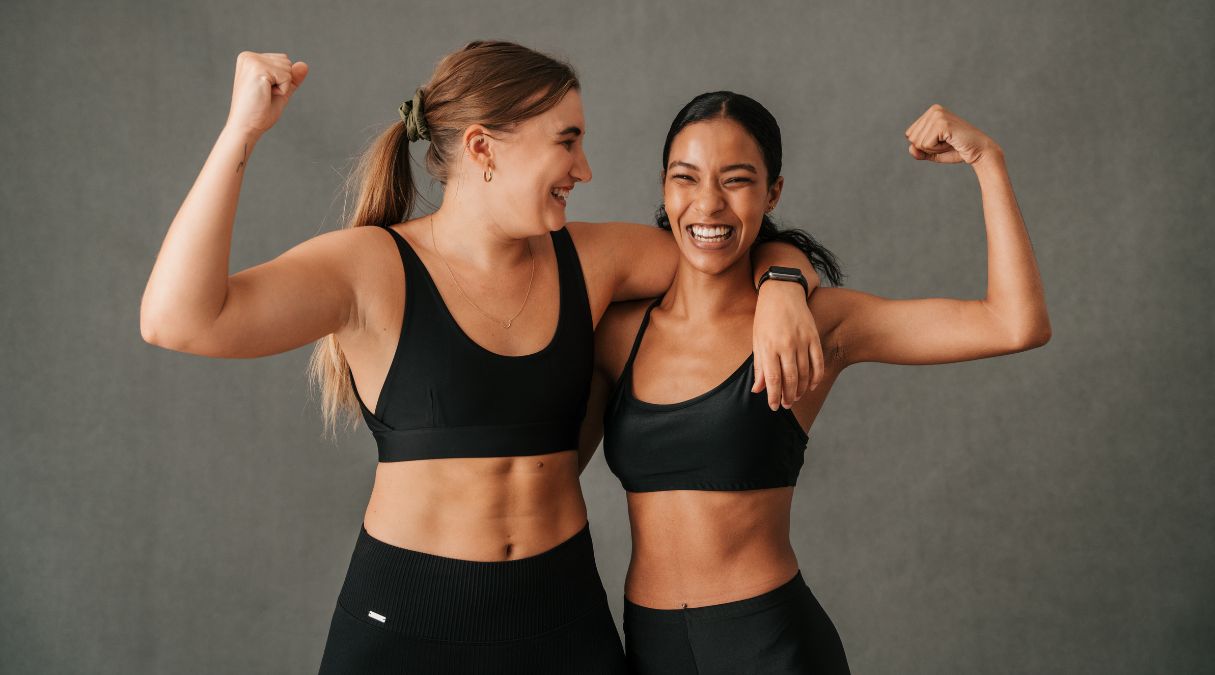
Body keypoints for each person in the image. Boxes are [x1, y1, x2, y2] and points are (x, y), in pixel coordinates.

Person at [140, 43, 825, 673]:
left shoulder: (592, 260)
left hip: (562, 623)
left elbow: (719, 235)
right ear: (482, 148)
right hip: (406, 626)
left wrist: (786, 282)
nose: (584, 169)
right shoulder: (370, 268)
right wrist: (241, 133)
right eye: (567, 142)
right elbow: (179, 319)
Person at [581, 91, 1051, 674]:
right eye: (686, 178)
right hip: (650, 648)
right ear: (664, 186)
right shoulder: (617, 333)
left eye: (737, 180)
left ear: (772, 192)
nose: (708, 203)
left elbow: (1013, 323)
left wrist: (989, 162)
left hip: (770, 646)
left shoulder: (823, 324)